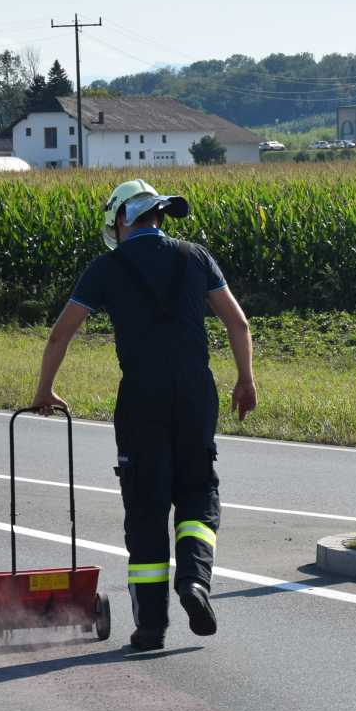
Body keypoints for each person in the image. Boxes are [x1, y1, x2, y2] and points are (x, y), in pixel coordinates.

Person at [33, 179, 257, 653]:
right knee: (198, 491)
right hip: (196, 394)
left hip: (140, 397)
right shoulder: (195, 257)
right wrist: (245, 379)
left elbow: (60, 334)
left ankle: (151, 627)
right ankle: (194, 580)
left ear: (122, 219)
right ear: (159, 215)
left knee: (145, 506)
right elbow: (237, 322)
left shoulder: (106, 268)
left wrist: (44, 389)